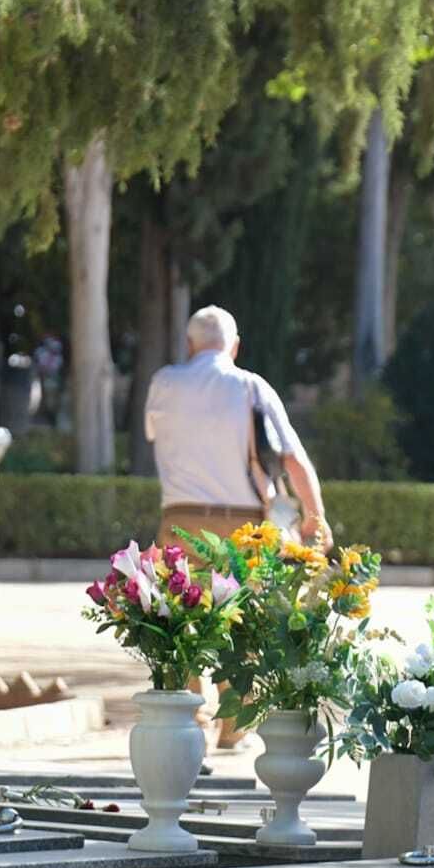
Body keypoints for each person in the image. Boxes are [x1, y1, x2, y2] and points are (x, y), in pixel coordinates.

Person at [144, 305, 332, 746]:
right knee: (243, 620)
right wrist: (314, 516)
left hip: (179, 520)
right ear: (235, 345)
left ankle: (190, 721)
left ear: (190, 344)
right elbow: (291, 458)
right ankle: (236, 724)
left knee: (181, 617)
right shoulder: (250, 387)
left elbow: (156, 435)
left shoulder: (163, 384)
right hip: (243, 526)